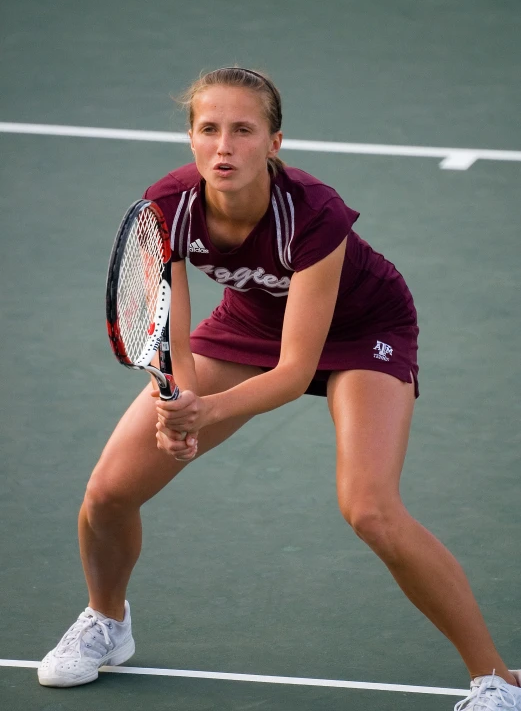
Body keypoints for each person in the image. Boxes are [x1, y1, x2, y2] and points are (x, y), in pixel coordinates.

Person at [38, 67, 520, 710]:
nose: (224, 146)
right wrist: (174, 402)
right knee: (107, 494)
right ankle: (107, 622)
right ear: (190, 139)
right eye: (209, 129)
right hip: (248, 323)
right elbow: (170, 330)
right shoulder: (169, 205)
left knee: (370, 509)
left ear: (274, 143)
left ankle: (495, 678)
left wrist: (203, 411)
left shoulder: (313, 211)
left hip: (362, 328)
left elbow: (295, 372)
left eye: (244, 130)